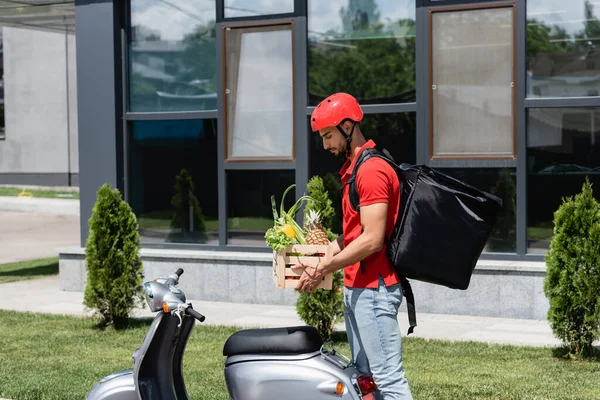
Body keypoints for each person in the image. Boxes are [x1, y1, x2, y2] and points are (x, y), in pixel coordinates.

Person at [295, 92, 413, 400]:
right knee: (364, 380)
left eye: (328, 135)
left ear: (348, 126)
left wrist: (324, 267)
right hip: (358, 288)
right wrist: (317, 258)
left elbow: (372, 239)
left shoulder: (371, 171)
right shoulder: (355, 168)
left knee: (388, 380)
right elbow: (352, 235)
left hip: (374, 290)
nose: (325, 145)